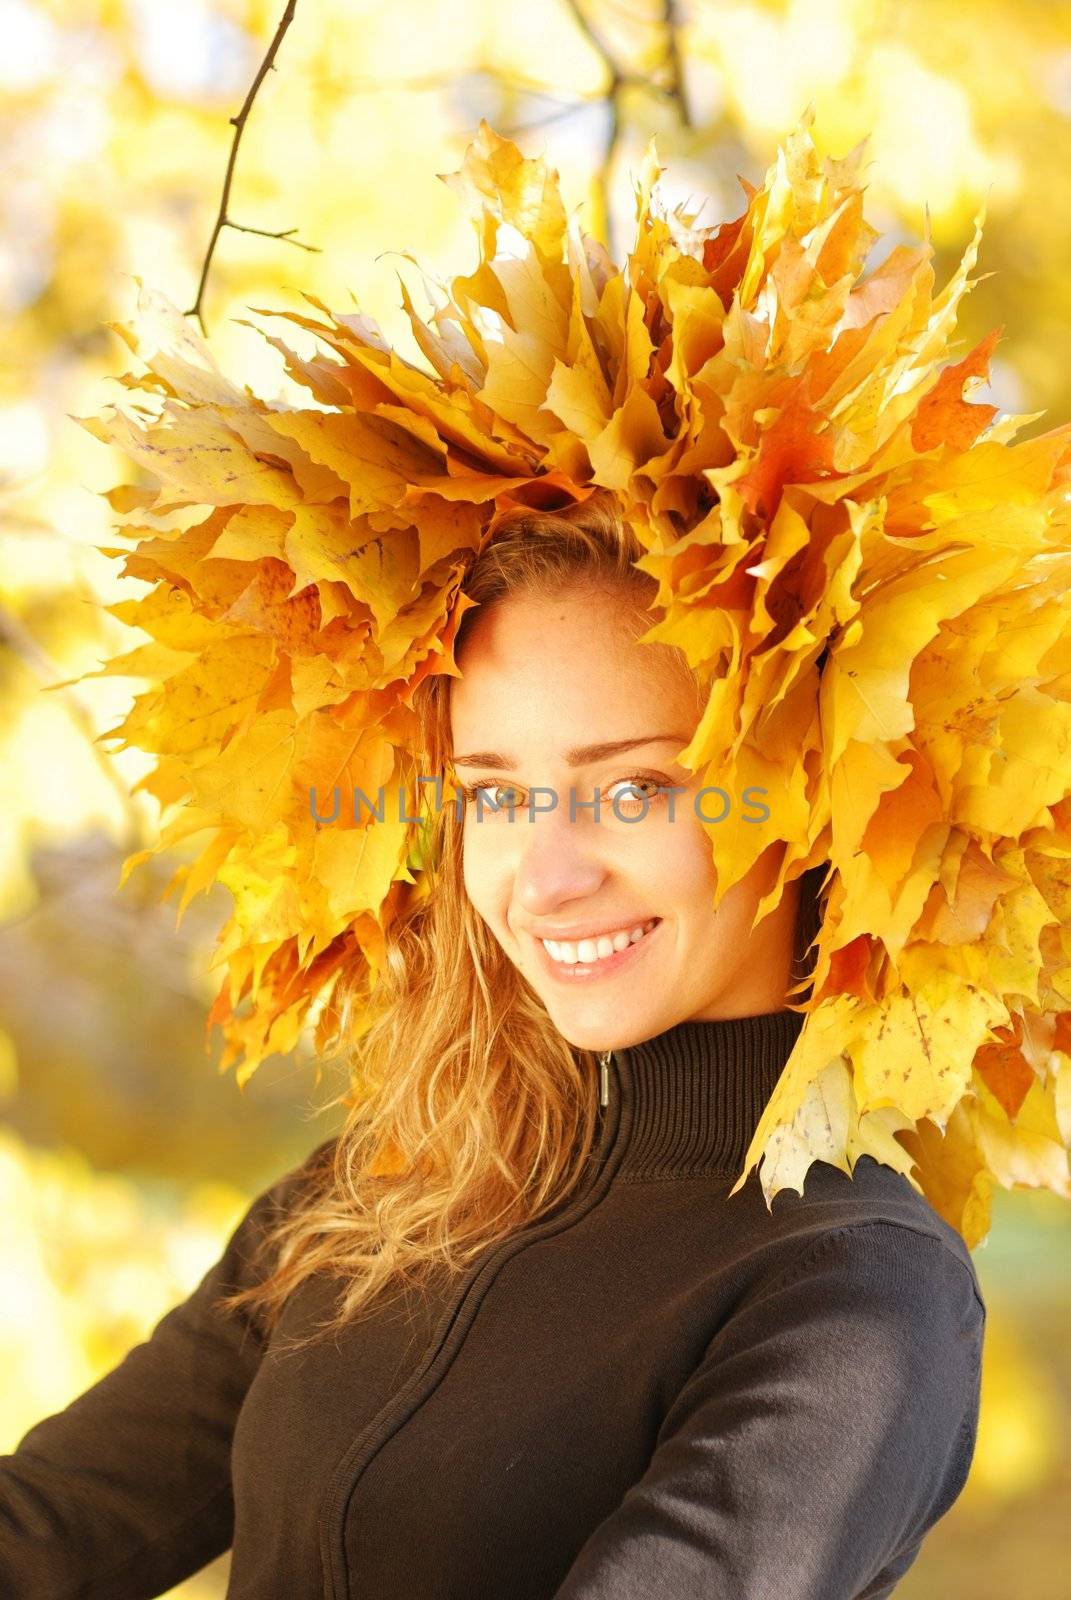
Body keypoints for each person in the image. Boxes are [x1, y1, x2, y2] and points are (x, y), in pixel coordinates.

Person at [0, 495, 985, 1599]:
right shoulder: (377, 1197)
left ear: (819, 802)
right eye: (497, 794)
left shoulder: (853, 1294)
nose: (546, 877)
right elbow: (42, 1529)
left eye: (634, 787)